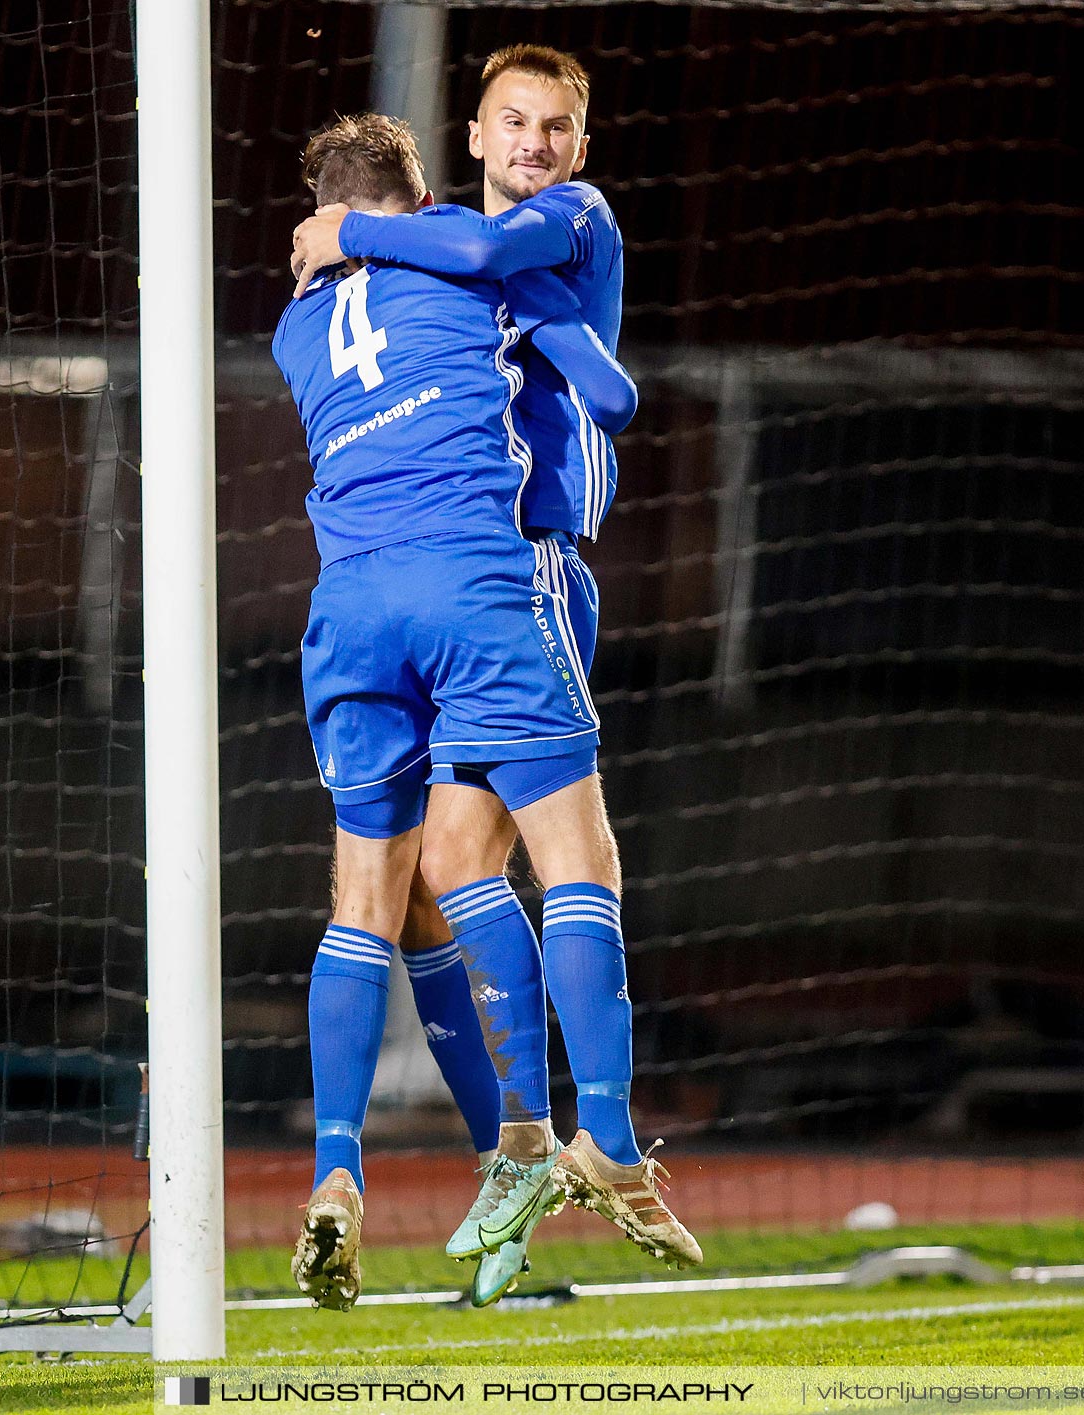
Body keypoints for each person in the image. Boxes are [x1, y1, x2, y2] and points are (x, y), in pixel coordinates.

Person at [290, 46, 703, 1305]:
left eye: (556, 125)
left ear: (582, 145)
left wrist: (348, 229)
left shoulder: (552, 226)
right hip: (484, 580)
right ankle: (533, 1157)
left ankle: (524, 1151)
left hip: (512, 568)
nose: (535, 141)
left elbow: (609, 387)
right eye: (514, 122)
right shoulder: (456, 258)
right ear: (469, 136)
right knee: (458, 873)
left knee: (451, 876)